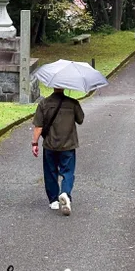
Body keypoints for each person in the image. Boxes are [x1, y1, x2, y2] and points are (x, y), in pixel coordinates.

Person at [32, 86, 84, 215]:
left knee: (50, 172)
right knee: (68, 171)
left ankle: (53, 200)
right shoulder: (73, 103)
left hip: (50, 144)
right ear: (64, 87)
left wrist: (34, 143)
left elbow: (38, 126)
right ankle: (65, 192)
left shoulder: (44, 103)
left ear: (53, 86)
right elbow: (80, 120)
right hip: (68, 144)